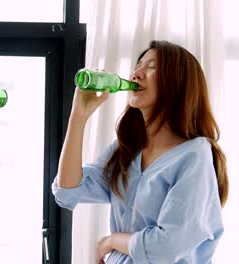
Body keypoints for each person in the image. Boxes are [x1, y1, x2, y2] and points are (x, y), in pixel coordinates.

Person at [52, 40, 228, 263]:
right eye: (139, 64)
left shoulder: (194, 156)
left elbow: (165, 247)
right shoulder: (126, 149)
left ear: (178, 83)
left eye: (152, 67)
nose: (137, 73)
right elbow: (67, 191)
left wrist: (112, 241)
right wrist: (78, 116)